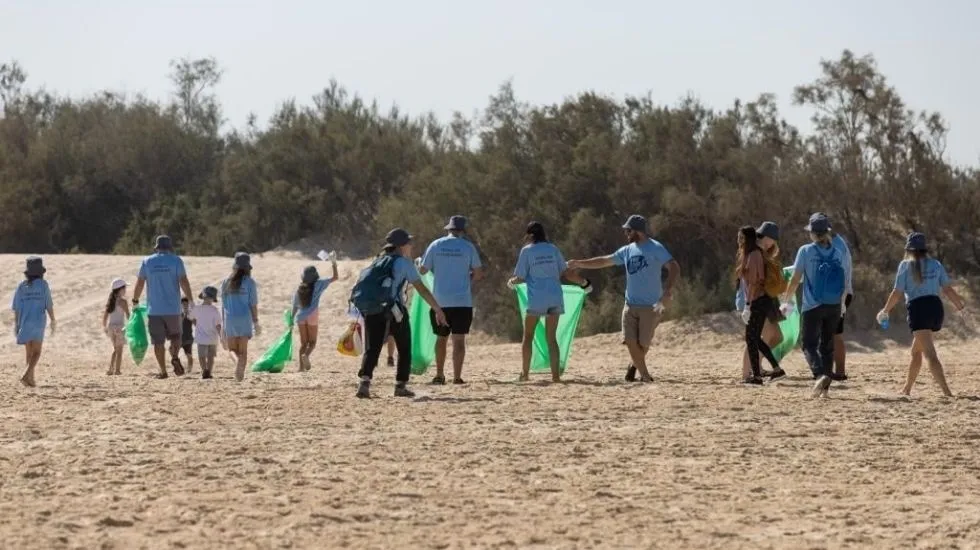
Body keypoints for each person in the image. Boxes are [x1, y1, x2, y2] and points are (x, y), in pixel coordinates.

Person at [567, 215, 679, 383]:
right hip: (630, 304)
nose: (626, 234)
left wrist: (668, 290)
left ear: (638, 231)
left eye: (628, 230)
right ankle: (645, 376)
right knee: (630, 341)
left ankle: (634, 365)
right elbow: (604, 261)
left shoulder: (656, 248)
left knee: (643, 344)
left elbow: (674, 266)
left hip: (654, 305)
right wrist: (580, 263)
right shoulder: (626, 250)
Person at [354, 228, 447, 399]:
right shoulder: (404, 263)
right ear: (401, 245)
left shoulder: (377, 261)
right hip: (395, 311)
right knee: (404, 348)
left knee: (372, 348)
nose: (411, 245)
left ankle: (364, 383)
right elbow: (422, 289)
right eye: (408, 242)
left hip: (373, 310)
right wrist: (438, 309)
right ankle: (400, 386)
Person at [877, 232, 965, 397]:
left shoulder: (905, 265)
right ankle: (907, 389)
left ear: (909, 249)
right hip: (935, 308)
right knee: (916, 351)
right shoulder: (936, 264)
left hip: (919, 309)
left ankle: (947, 392)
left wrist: (885, 311)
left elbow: (897, 292)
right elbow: (947, 289)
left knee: (930, 353)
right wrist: (959, 305)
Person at [508, 222, 589, 383]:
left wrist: (511, 282)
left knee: (528, 336)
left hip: (536, 299)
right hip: (555, 297)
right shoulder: (553, 249)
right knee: (551, 338)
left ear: (530, 235)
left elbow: (521, 277)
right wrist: (584, 283)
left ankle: (525, 374)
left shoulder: (527, 251)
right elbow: (565, 272)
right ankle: (555, 377)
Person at [781, 213, 849, 398]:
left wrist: (786, 299)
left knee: (808, 344)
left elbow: (795, 278)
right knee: (827, 345)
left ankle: (819, 375)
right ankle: (825, 389)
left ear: (812, 233)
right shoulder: (837, 252)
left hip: (813, 305)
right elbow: (843, 279)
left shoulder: (805, 251)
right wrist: (842, 303)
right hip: (834, 304)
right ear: (827, 232)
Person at [419, 215, 485, 385]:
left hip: (440, 302)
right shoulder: (468, 247)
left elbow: (423, 270)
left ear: (448, 229)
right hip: (462, 301)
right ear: (463, 231)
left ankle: (440, 375)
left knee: (441, 339)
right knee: (459, 340)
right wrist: (468, 279)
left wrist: (419, 261)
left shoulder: (436, 245)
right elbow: (478, 274)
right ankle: (457, 377)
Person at [132, 235, 194, 379]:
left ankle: (163, 371)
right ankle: (174, 355)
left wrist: (135, 300)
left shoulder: (147, 261)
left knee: (158, 342)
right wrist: (190, 299)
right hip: (173, 309)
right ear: (170, 247)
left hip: (154, 310)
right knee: (176, 336)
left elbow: (140, 282)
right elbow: (184, 281)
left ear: (156, 247)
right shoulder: (176, 261)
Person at [734, 226, 785, 385]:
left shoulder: (754, 254)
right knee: (754, 338)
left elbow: (756, 282)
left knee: (752, 338)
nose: (739, 240)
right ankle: (772, 371)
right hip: (758, 300)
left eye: (741, 237)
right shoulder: (754, 254)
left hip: (758, 301)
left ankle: (758, 375)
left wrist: (748, 305)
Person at [11, 257, 56, 387]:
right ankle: (26, 375)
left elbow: (17, 308)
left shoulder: (21, 286)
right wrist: (53, 320)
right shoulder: (43, 284)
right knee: (37, 352)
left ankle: (31, 379)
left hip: (24, 321)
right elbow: (48, 304)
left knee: (29, 352)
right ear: (41, 272)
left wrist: (16, 324)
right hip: (38, 322)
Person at [292, 254, 339, 371]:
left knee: (303, 343)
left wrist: (291, 319)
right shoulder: (319, 284)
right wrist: (333, 263)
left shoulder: (300, 288)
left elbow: (294, 306)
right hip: (312, 315)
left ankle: (300, 368)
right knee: (312, 342)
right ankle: (306, 356)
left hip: (300, 317)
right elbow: (335, 277)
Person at [221, 252, 260, 382]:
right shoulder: (250, 282)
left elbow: (223, 306)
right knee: (243, 350)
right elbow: (253, 304)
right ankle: (240, 370)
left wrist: (222, 326)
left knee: (232, 349)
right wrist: (256, 322)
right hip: (245, 319)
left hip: (230, 319)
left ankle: (237, 363)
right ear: (247, 268)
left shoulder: (226, 282)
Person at [189, 286, 223, 380]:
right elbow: (218, 325)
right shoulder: (214, 310)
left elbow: (191, 318)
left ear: (203, 296)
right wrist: (221, 335)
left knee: (202, 356)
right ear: (213, 299)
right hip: (213, 337)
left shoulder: (197, 308)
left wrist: (196, 324)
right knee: (211, 356)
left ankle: (205, 370)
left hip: (201, 337)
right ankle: (209, 372)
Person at [102, 278, 130, 376]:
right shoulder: (123, 302)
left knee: (115, 349)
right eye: (124, 288)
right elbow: (128, 315)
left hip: (111, 327)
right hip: (120, 328)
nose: (125, 290)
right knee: (119, 351)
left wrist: (104, 327)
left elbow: (105, 316)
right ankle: (117, 370)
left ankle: (110, 369)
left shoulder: (110, 301)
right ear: (120, 289)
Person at [180, 298, 195, 374]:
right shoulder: (178, 314)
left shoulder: (190, 314)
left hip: (188, 337)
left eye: (186, 304)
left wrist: (191, 317)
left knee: (189, 354)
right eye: (183, 304)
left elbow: (196, 324)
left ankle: (189, 369)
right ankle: (178, 365)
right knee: (172, 351)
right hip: (179, 338)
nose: (185, 306)